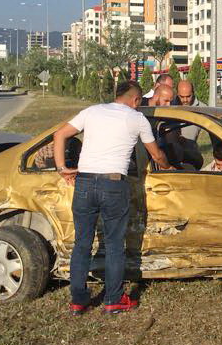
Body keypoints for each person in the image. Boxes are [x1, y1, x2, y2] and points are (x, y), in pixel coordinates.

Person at [52, 81, 169, 316]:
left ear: (116, 96)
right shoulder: (137, 119)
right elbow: (155, 154)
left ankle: (78, 300)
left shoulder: (92, 111)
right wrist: (169, 166)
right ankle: (114, 299)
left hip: (84, 182)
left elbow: (59, 134)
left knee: (82, 243)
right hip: (113, 184)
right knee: (115, 244)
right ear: (136, 100)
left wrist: (62, 168)